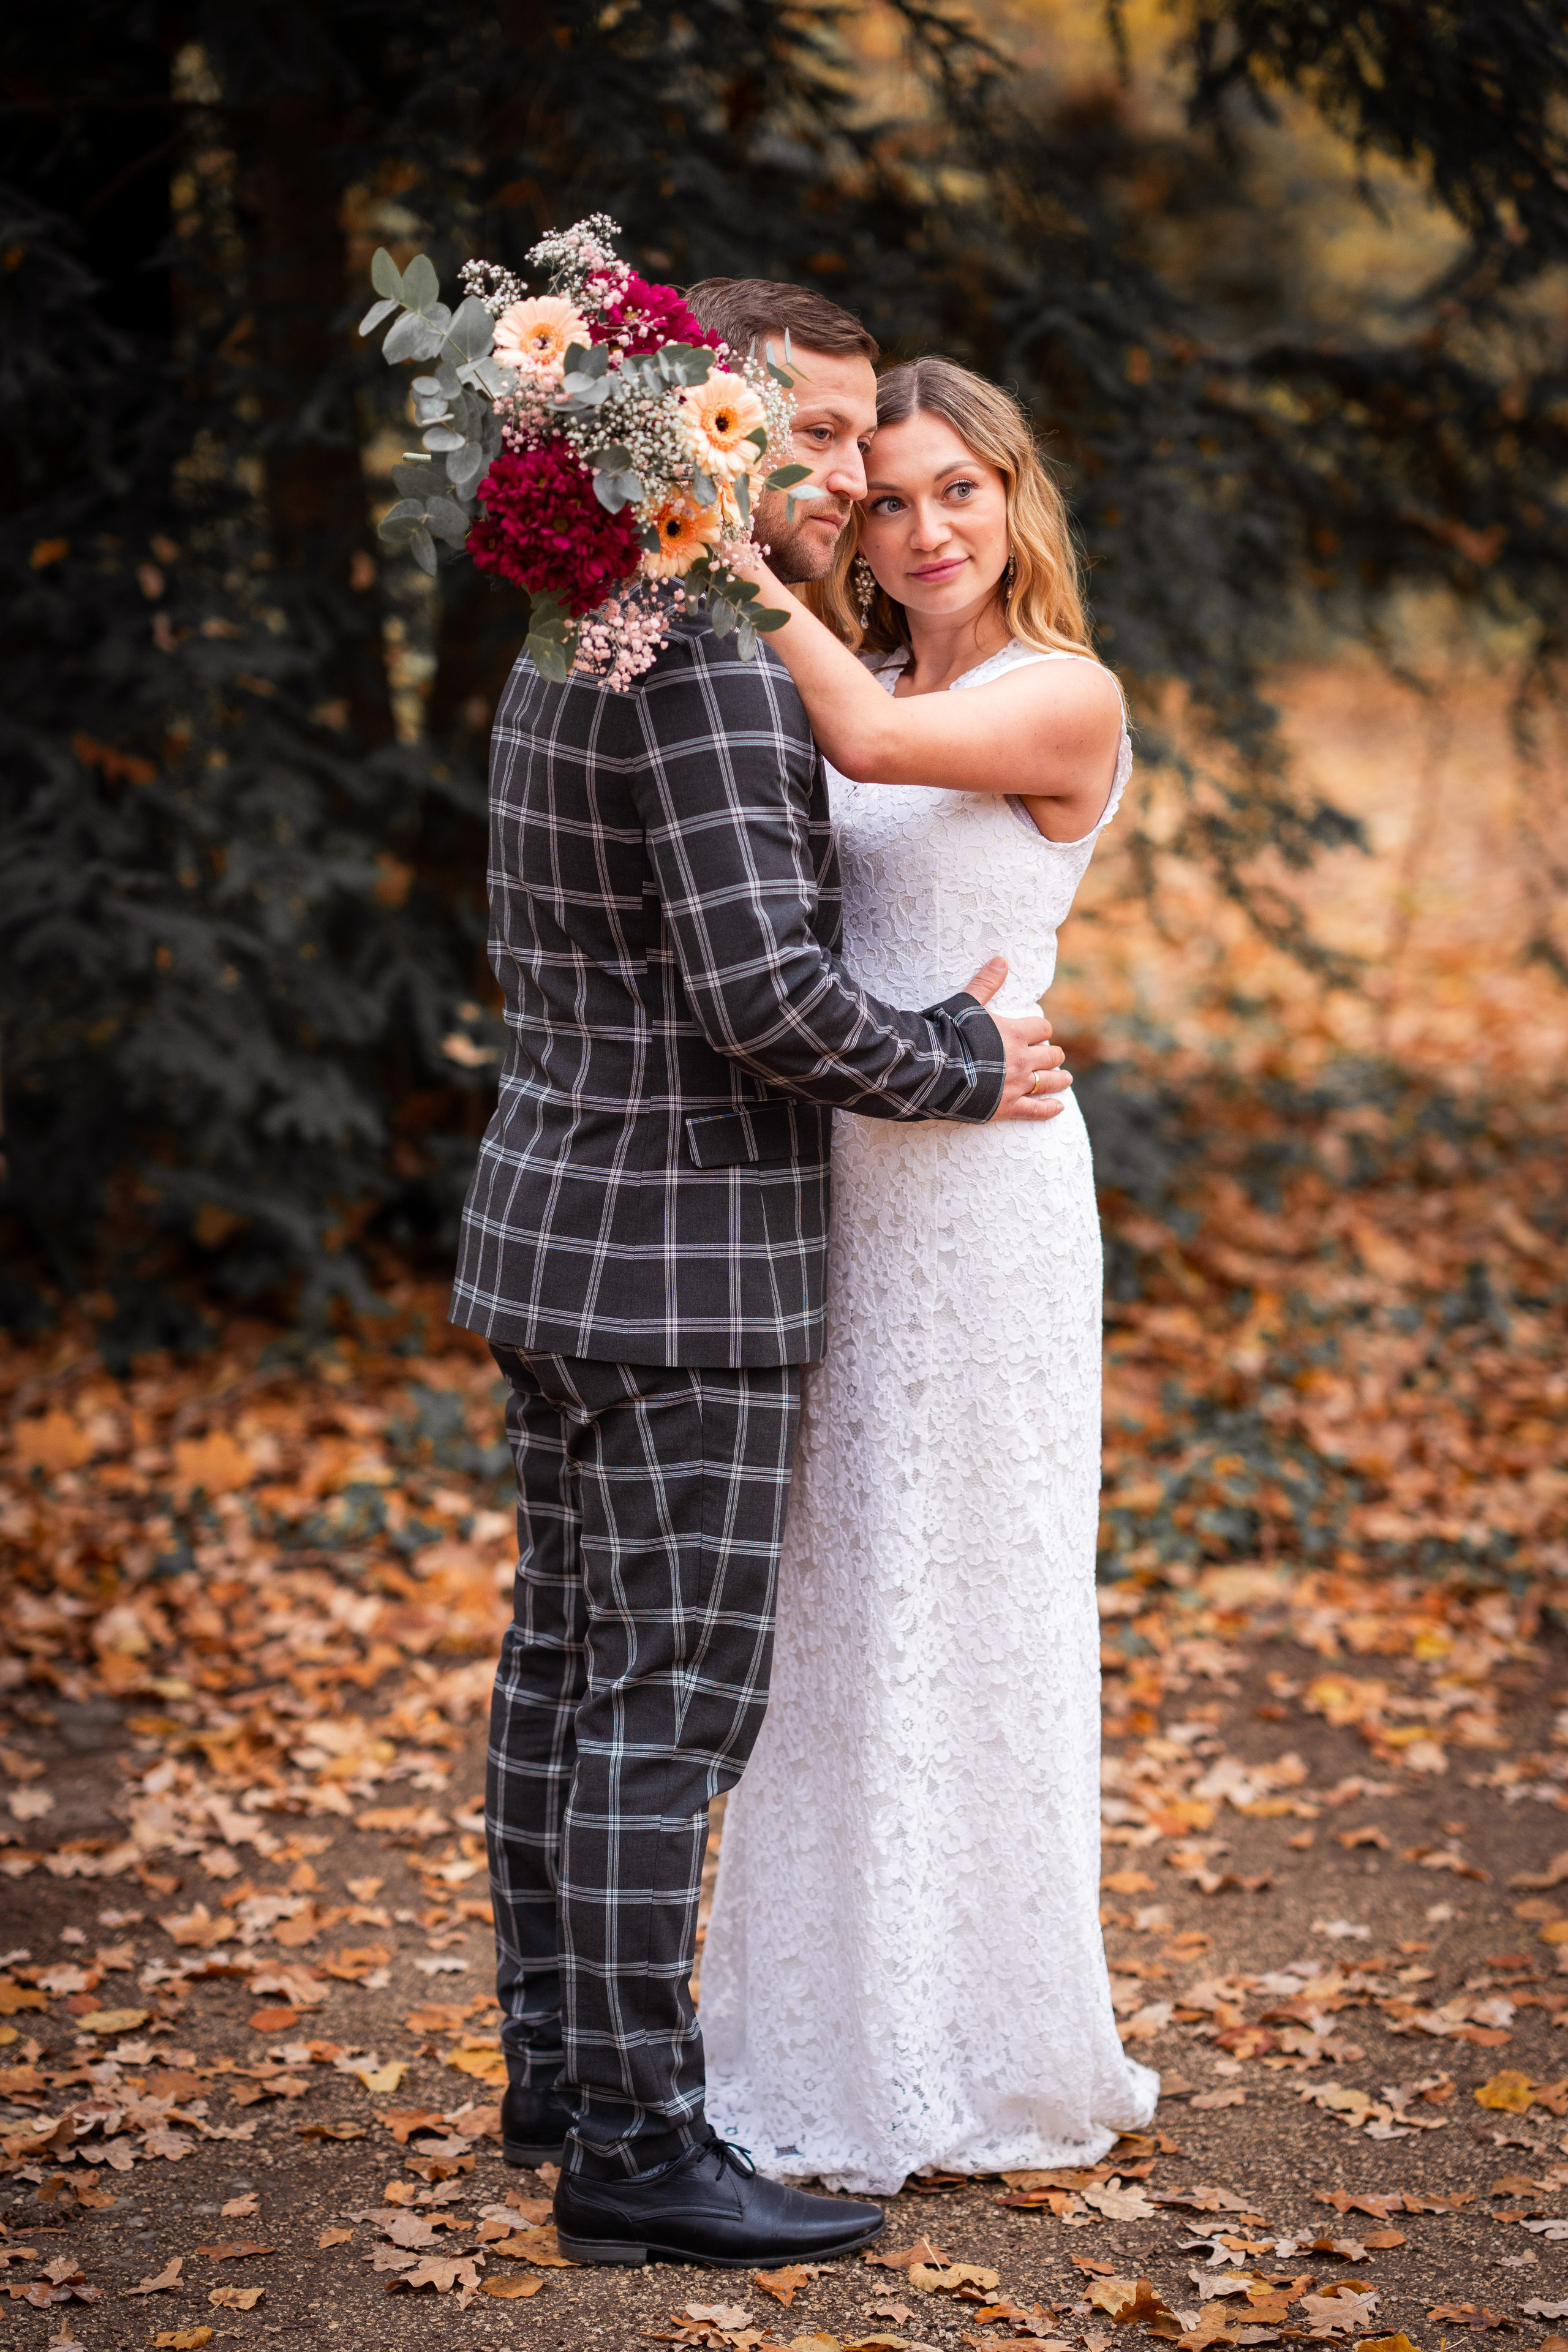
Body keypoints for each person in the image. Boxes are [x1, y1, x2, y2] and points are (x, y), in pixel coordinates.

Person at [450, 290, 1072, 2269]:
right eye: (801, 438)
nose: (831, 480)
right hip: (686, 1269)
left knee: (563, 1672)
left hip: (555, 1230)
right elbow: (763, 1000)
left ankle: (563, 2062)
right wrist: (971, 1061)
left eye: (844, 446)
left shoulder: (581, 628)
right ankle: (634, 2144)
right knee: (666, 1705)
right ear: (696, 429)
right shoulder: (708, 656)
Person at [699, 355, 1159, 2191]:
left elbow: (877, 768)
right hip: (844, 1177)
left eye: (954, 489)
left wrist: (718, 553)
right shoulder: (865, 669)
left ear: (1012, 493)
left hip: (985, 1193)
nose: (920, 530)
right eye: (883, 501)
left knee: (975, 1589)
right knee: (836, 1602)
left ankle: (989, 2038)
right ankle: (825, 2031)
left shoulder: (1069, 698)